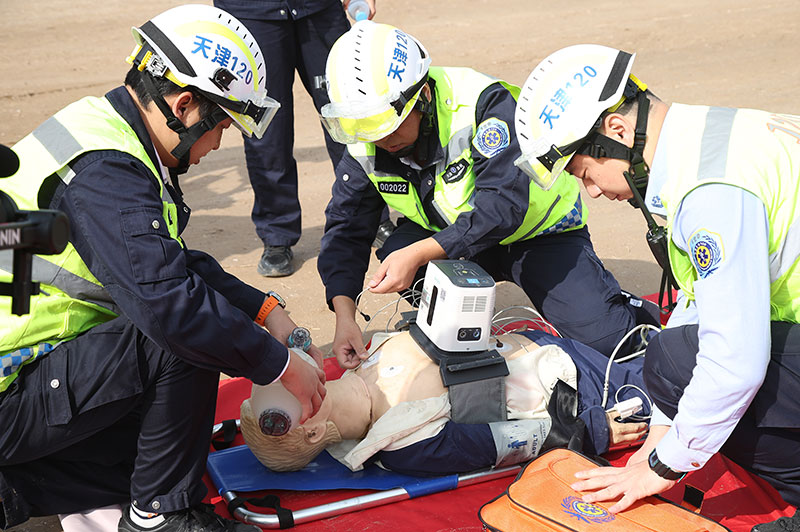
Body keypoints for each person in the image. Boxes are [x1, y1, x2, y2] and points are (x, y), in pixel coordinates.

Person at [0, 5, 327, 532]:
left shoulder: (97, 126)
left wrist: (266, 310)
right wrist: (276, 364)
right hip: (10, 381)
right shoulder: (106, 173)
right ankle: (159, 517)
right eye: (221, 124)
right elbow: (169, 303)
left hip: (22, 365)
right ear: (184, 103)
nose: (217, 145)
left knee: (164, 445)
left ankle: (11, 491)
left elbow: (166, 260)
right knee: (184, 337)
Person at [511, 44, 800, 530]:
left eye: (584, 172)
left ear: (617, 131)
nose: (594, 191)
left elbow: (735, 360)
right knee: (670, 360)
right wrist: (658, 439)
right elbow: (701, 302)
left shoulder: (712, 192)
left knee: (690, 367)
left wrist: (663, 467)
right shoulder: (712, 135)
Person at [315, 22, 660, 370]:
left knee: (605, 341)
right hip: (453, 237)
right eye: (367, 127)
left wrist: (419, 253)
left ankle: (626, 311)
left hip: (538, 234)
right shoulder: (365, 137)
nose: (380, 138)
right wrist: (345, 317)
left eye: (389, 124)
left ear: (423, 96)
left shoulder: (482, 104)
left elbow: (502, 207)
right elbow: (347, 229)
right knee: (402, 257)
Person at [241, 329, 650, 475]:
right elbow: (511, 442)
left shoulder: (362, 361)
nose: (284, 376)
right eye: (282, 392)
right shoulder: (405, 443)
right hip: (583, 385)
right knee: (688, 372)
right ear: (311, 428)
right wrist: (595, 430)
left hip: (544, 343)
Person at [211, 0, 391, 277]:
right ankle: (276, 235)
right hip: (252, 13)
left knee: (348, 110)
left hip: (319, 9)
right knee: (267, 129)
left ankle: (371, 216)